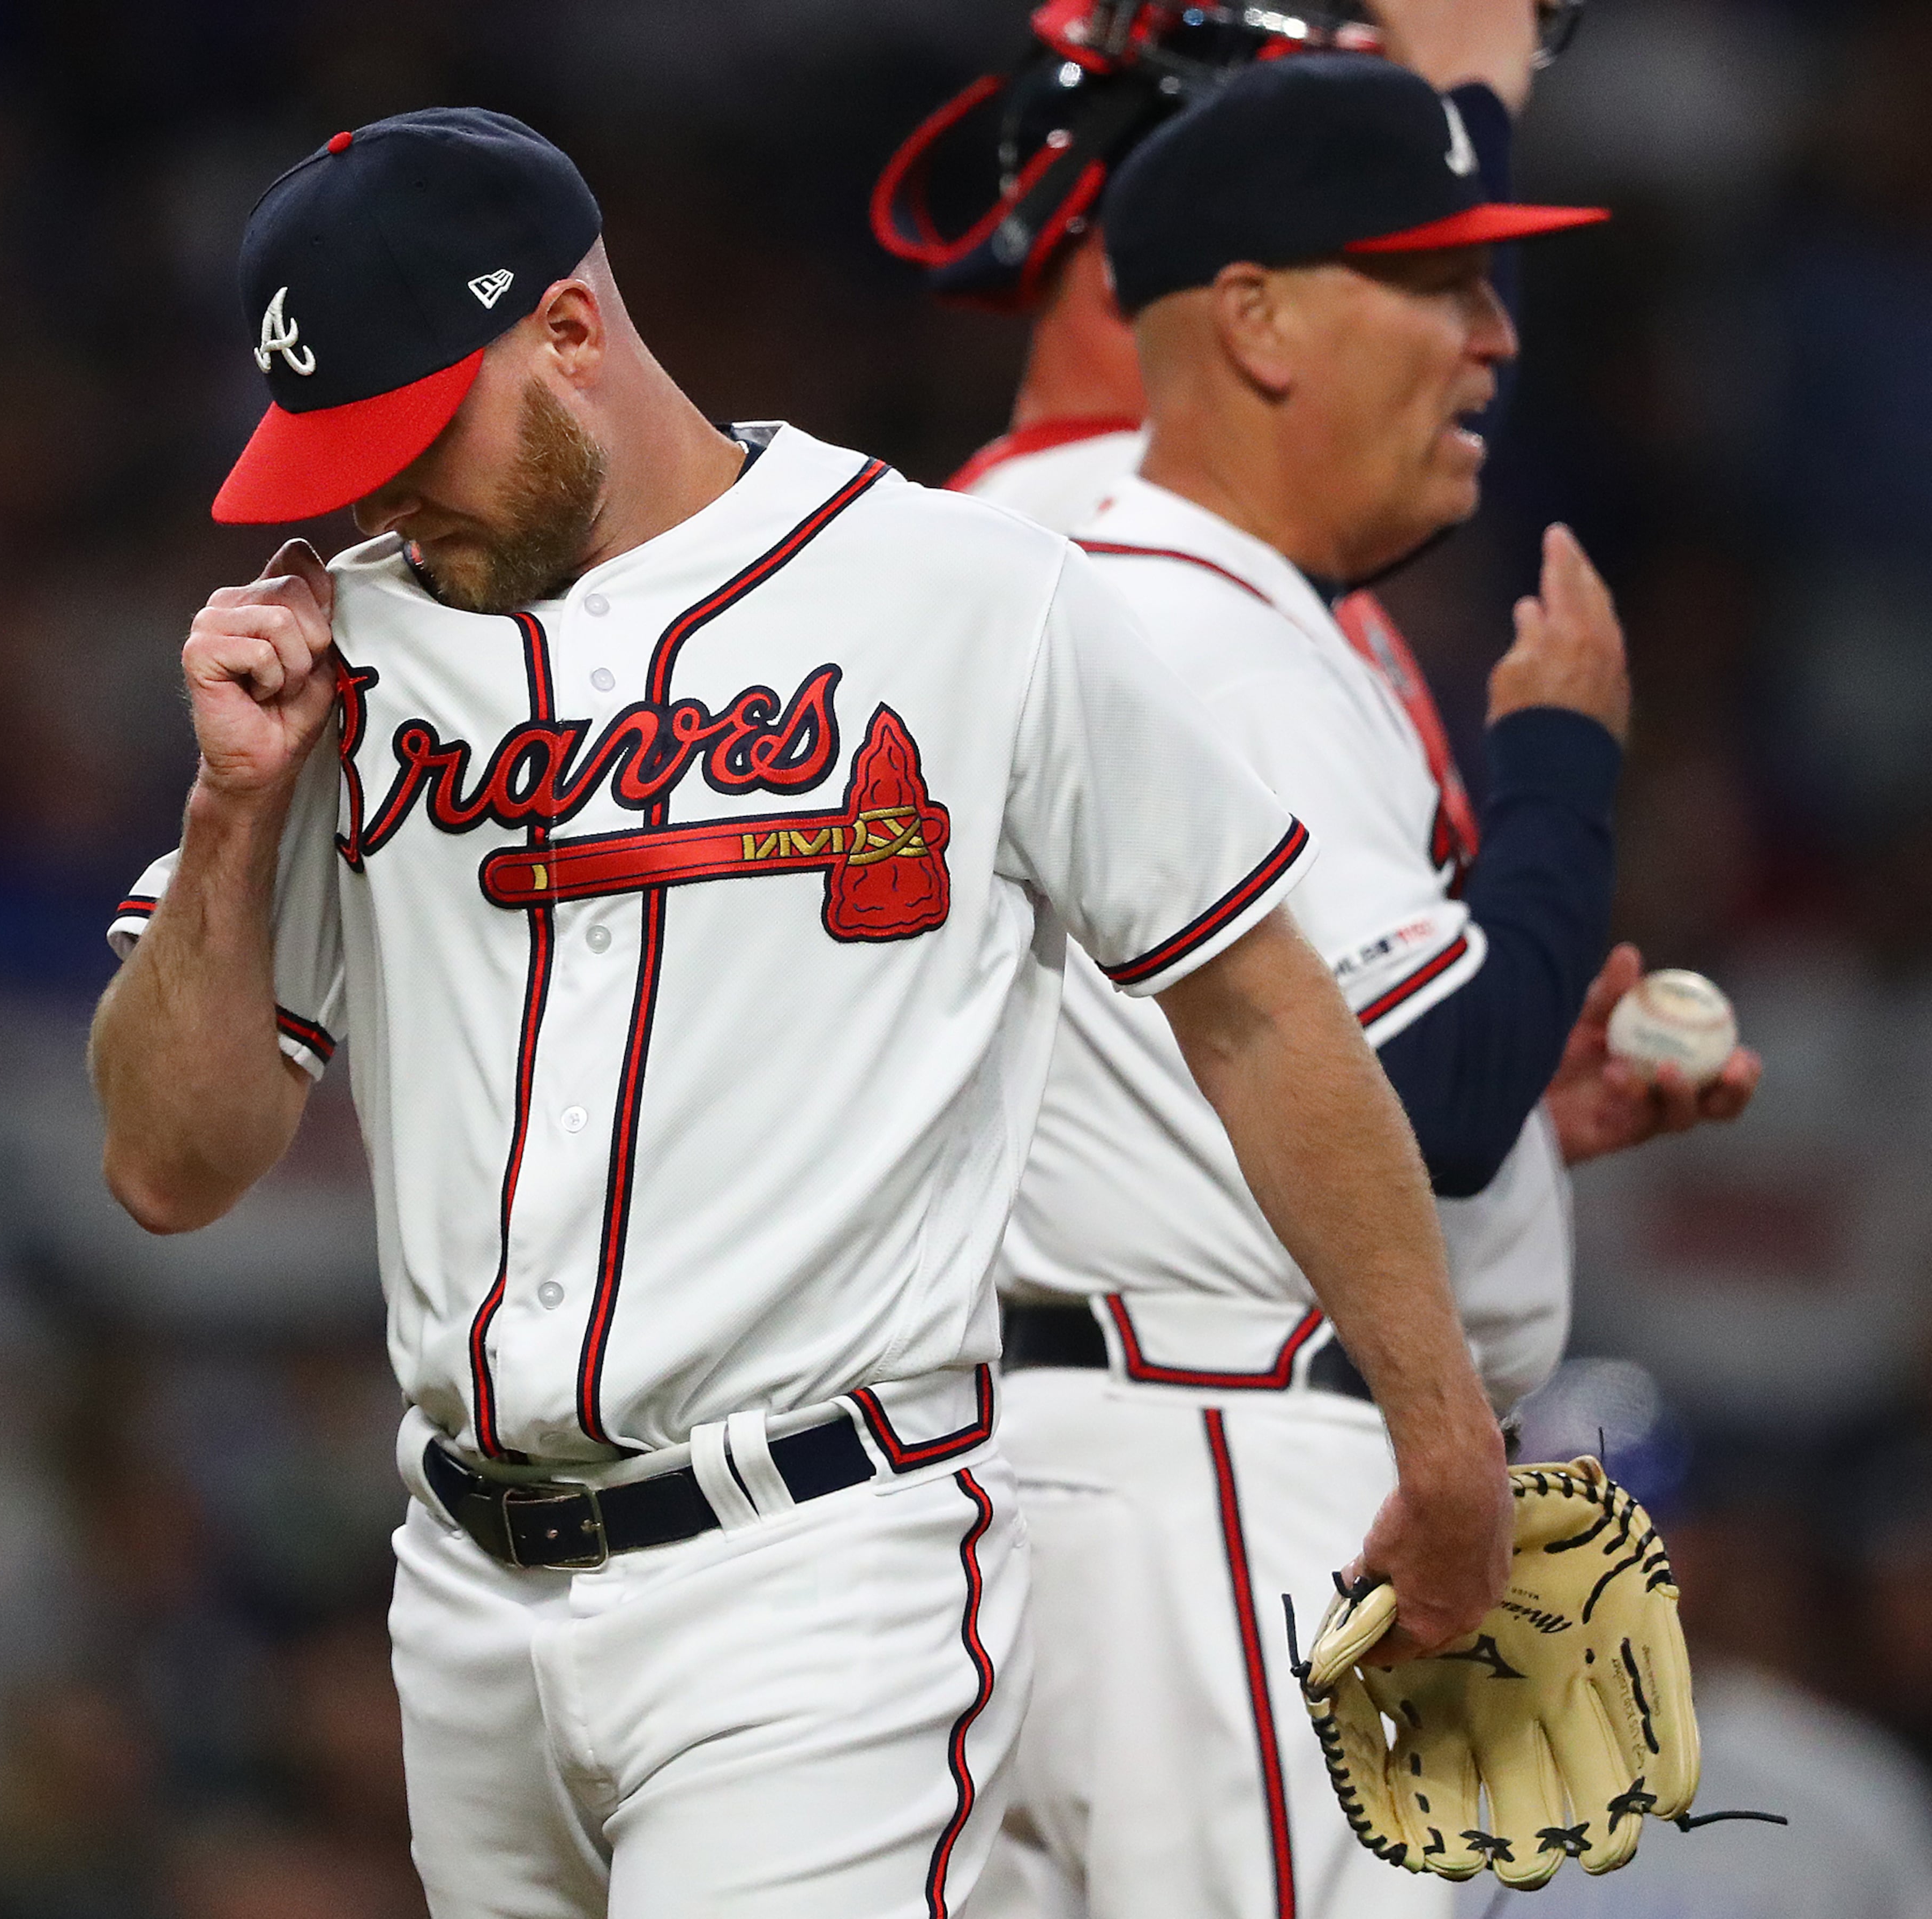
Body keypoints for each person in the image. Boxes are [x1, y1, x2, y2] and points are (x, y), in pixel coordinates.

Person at [87, 108, 1513, 1919]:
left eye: (412, 436)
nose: (381, 501)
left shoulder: (963, 597)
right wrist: (231, 815)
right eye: (340, 457)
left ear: (573, 336)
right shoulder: (339, 659)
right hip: (464, 1596)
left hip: (818, 1572)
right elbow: (168, 1166)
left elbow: (1256, 1008)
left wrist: (1442, 1428)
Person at [953, 53, 1762, 1919]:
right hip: (1224, 1469)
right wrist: (1561, 771)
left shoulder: (1168, 607)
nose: (1492, 340)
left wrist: (1540, 1127)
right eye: (1438, 283)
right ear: (1255, 320)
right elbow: (1436, 1093)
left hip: (1142, 1458)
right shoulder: (1195, 633)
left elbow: (1338, 1093)